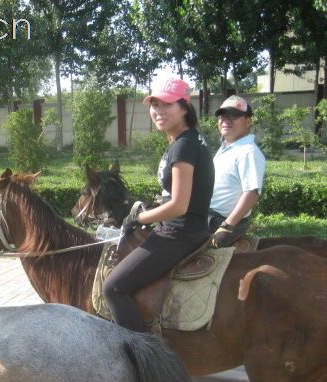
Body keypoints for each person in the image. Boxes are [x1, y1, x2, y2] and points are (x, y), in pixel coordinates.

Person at [102, 77, 214, 332]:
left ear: (184, 108)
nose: (159, 111)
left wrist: (138, 219)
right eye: (154, 105)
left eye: (167, 105)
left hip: (178, 233)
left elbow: (179, 205)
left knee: (113, 288)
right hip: (185, 229)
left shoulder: (183, 147)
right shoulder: (186, 140)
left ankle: (143, 356)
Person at [208, 95, 266, 247]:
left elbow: (252, 193)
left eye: (233, 115)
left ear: (248, 121)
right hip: (210, 216)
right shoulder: (227, 148)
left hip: (223, 221)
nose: (226, 120)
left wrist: (227, 226)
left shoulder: (248, 152)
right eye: (222, 116)